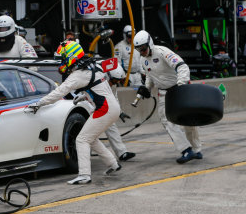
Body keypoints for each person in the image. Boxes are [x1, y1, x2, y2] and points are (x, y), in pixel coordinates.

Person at [26, 40, 121, 184]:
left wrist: (39, 104)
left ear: (71, 57)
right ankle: (113, 164)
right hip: (110, 107)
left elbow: (59, 92)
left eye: (63, 58)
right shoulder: (93, 66)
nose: (61, 62)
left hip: (105, 109)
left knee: (81, 139)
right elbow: (99, 88)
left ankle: (84, 175)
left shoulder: (78, 75)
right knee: (90, 138)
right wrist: (83, 96)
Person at [133, 30, 202, 164]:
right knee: (166, 120)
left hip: (179, 88)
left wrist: (182, 85)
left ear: (150, 44)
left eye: (143, 49)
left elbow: (182, 67)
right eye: (138, 50)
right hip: (164, 93)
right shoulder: (143, 60)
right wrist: (146, 89)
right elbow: (149, 75)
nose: (142, 52)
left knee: (188, 119)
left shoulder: (163, 52)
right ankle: (186, 150)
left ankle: (196, 149)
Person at [103, 63, 136, 161]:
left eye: (118, 81)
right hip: (86, 106)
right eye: (114, 81)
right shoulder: (95, 80)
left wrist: (120, 112)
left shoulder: (111, 83)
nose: (115, 83)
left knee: (111, 125)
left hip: (100, 108)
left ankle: (122, 153)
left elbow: (114, 98)